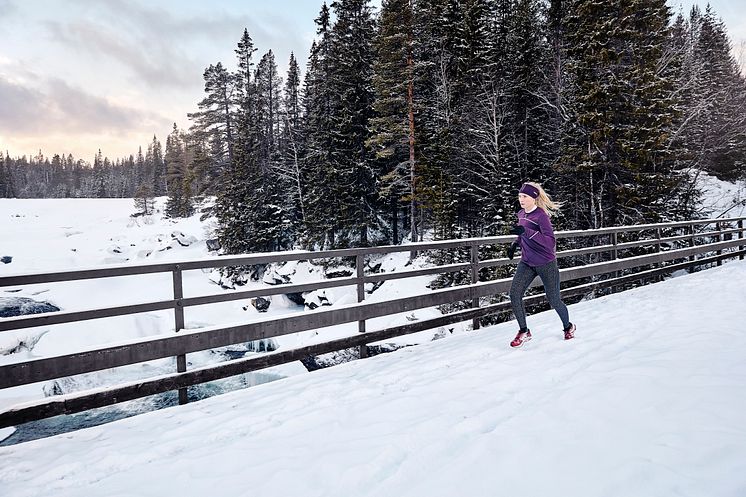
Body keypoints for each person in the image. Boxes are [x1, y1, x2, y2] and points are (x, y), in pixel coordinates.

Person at [506, 182, 575, 347]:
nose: (521, 199)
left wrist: (527, 232)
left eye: (525, 196)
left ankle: (568, 326)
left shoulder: (541, 216)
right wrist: (515, 244)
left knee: (554, 299)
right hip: (527, 262)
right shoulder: (521, 213)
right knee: (514, 294)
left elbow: (549, 242)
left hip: (546, 262)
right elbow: (522, 234)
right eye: (520, 196)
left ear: (534, 198)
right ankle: (524, 331)